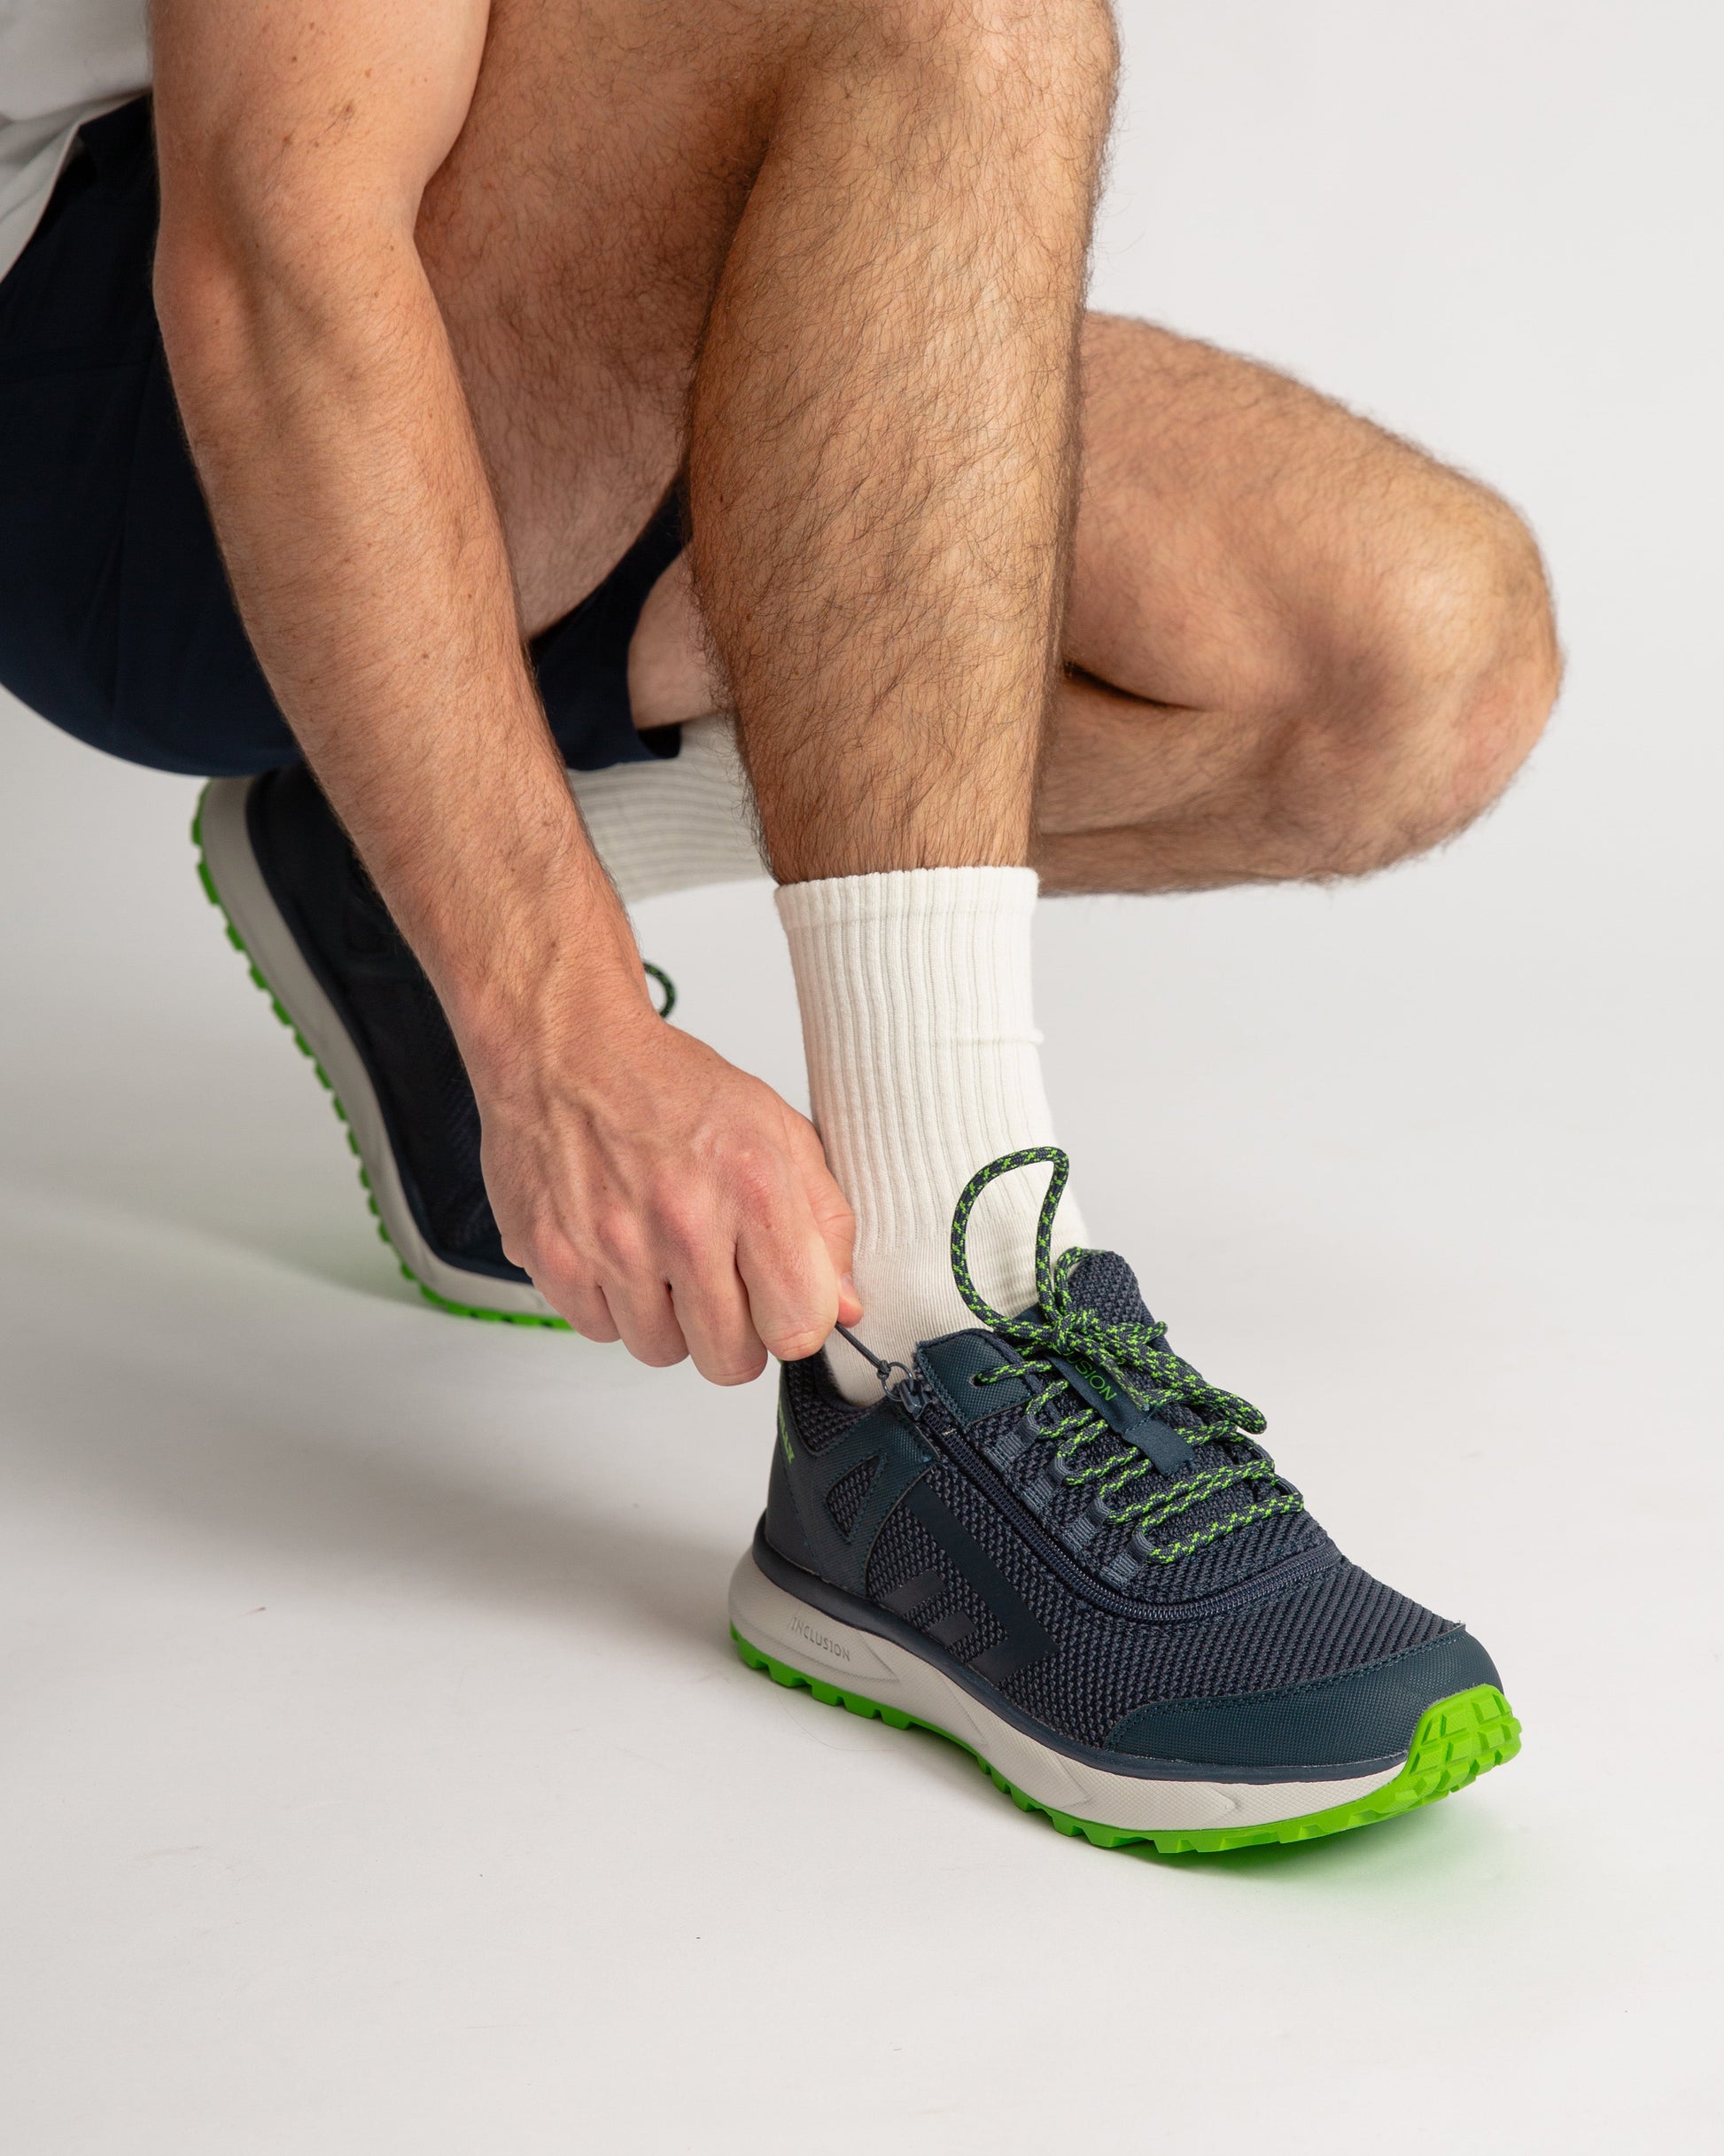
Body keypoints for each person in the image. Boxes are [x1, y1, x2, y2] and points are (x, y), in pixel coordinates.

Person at [0, 1, 1557, 1849]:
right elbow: (276, 257)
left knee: (1412, 663)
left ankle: (389, 863)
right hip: (141, 408)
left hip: (527, 298)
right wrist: (558, 1033)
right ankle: (933, 1330)